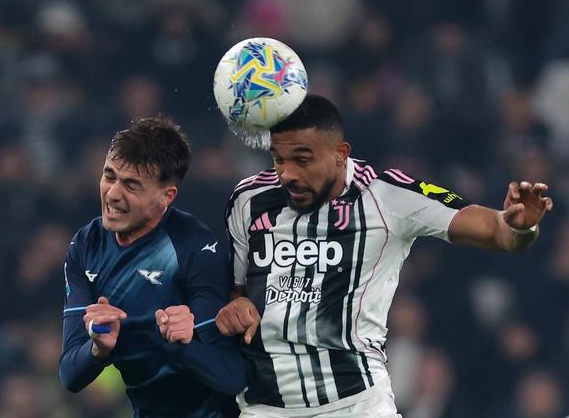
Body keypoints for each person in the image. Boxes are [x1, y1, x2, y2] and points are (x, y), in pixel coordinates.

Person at [215, 94, 553, 417]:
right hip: (266, 407)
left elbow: (497, 231)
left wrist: (521, 226)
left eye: (302, 160)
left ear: (340, 154)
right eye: (279, 159)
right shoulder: (247, 199)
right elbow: (239, 291)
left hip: (355, 404)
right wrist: (236, 305)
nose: (288, 174)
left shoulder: (387, 197)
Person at [59, 116, 246, 418]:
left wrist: (183, 345)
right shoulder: (86, 245)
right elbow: (69, 375)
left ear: (166, 196)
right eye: (109, 176)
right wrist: (98, 349)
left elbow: (233, 376)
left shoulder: (194, 249)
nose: (113, 193)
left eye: (131, 185)